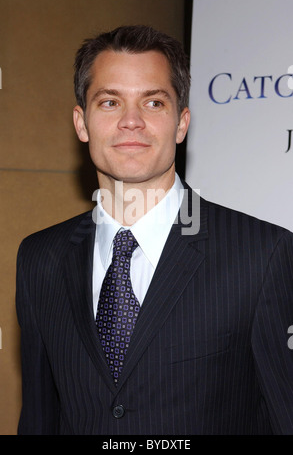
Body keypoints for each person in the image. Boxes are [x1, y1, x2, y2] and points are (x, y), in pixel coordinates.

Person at [16, 25, 293, 435]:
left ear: (181, 124)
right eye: (110, 102)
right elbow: (39, 418)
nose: (131, 121)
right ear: (81, 123)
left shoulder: (263, 254)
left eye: (153, 103)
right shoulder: (39, 258)